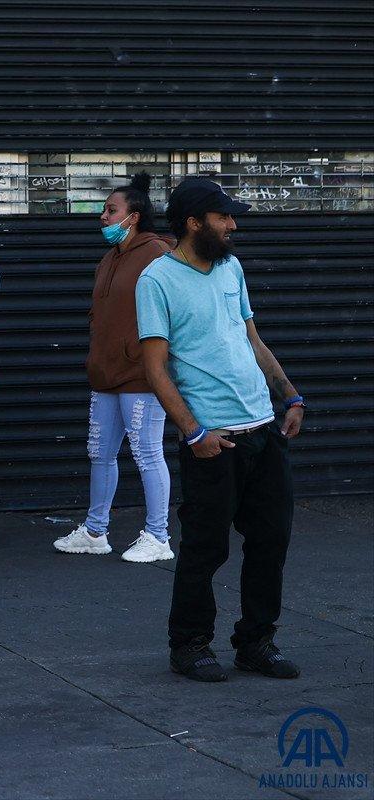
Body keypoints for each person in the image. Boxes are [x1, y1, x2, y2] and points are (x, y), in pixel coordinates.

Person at [137, 177, 305, 682]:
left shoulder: (231, 267)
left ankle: (257, 642)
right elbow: (155, 369)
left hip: (263, 430)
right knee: (206, 548)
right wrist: (194, 433)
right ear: (193, 223)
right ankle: (189, 645)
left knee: (271, 541)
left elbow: (251, 338)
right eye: (223, 217)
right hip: (214, 440)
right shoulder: (157, 280)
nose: (233, 225)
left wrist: (290, 395)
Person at [53, 172, 175, 563]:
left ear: (133, 216)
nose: (103, 217)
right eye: (104, 210)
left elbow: (175, 310)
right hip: (105, 374)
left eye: (111, 210)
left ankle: (158, 536)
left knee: (147, 453)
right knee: (100, 454)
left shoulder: (158, 253)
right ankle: (95, 531)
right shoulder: (109, 259)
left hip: (141, 374)